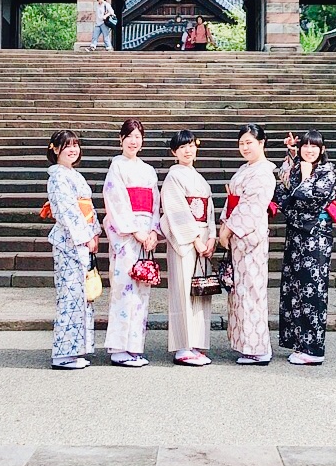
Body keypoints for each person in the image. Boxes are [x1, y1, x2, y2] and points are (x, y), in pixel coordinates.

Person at [274, 128, 336, 366]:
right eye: (305, 146)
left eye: (314, 146)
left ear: (322, 150)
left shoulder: (327, 173)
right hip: (295, 235)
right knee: (294, 287)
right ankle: (299, 342)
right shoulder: (295, 167)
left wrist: (301, 181)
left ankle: (314, 348)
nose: (309, 150)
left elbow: (309, 198)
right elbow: (281, 193)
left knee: (313, 288)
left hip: (316, 237)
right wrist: (291, 158)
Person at [103, 117, 160, 367]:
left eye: (138, 136)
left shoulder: (148, 170)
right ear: (121, 139)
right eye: (129, 136)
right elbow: (116, 202)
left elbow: (155, 204)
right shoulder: (116, 167)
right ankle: (118, 347)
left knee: (141, 289)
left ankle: (134, 345)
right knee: (124, 286)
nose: (134, 141)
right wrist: (136, 231)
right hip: (126, 235)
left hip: (146, 231)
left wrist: (154, 232)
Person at [218, 123, 276, 365]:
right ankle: (245, 344)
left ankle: (259, 348)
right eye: (241, 143)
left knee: (252, 291)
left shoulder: (263, 173)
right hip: (237, 239)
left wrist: (228, 228)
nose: (245, 147)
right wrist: (225, 225)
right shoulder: (244, 170)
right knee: (239, 291)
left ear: (261, 143)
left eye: (249, 142)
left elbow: (251, 206)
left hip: (249, 238)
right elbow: (233, 201)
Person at [46, 129, 101, 371]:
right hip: (69, 241)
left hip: (82, 240)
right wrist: (86, 235)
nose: (72, 149)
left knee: (82, 295)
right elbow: (67, 211)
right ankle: (63, 353)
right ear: (55, 149)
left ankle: (77, 349)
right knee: (69, 296)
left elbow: (88, 208)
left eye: (75, 145)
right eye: (66, 145)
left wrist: (95, 232)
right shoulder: (57, 177)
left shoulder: (73, 175)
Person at [160, 129, 216, 367]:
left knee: (200, 292)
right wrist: (195, 239)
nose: (188, 150)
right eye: (182, 147)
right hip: (185, 239)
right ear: (175, 152)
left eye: (191, 146)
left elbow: (210, 211)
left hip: (203, 236)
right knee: (184, 290)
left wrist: (211, 237)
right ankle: (183, 346)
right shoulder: (174, 176)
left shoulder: (200, 179)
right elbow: (176, 210)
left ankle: (196, 344)